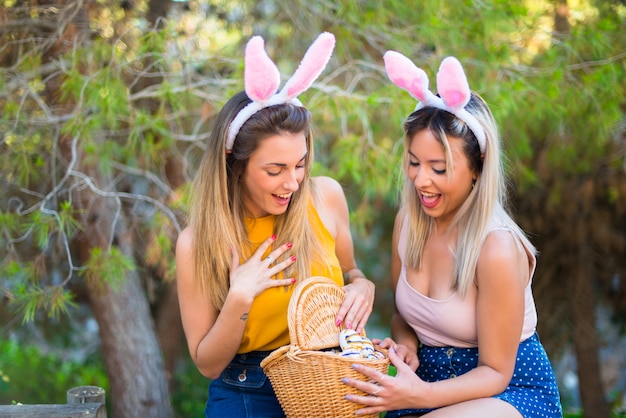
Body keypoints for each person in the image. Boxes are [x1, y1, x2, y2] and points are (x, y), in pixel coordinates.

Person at [341, 53, 562, 418]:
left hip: (505, 391)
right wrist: (407, 346)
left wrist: (419, 395)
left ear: (477, 168)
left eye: (438, 168)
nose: (420, 180)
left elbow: (495, 372)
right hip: (423, 386)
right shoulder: (407, 224)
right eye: (414, 163)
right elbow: (403, 317)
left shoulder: (497, 248)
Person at [176, 32, 375, 418]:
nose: (292, 182)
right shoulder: (199, 242)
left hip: (330, 384)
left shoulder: (326, 197)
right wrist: (240, 296)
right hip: (246, 390)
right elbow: (207, 363)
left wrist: (363, 285)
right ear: (235, 161)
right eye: (274, 170)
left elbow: (352, 270)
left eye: (300, 164)